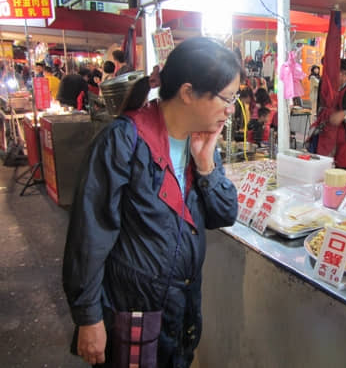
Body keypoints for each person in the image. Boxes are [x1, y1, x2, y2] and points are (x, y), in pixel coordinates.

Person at [62, 37, 240, 368]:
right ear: (188, 93)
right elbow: (88, 236)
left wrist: (206, 167)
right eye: (226, 98)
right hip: (132, 312)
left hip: (182, 307)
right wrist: (88, 317)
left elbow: (224, 214)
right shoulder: (123, 141)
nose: (231, 109)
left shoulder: (199, 143)